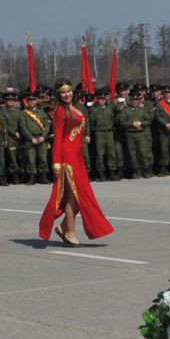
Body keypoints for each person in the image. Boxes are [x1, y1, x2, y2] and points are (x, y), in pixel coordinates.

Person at [38, 81, 114, 246]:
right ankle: (70, 232)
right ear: (59, 94)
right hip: (67, 158)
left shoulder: (77, 107)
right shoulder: (60, 111)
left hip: (77, 156)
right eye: (63, 92)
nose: (67, 95)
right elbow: (58, 137)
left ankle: (64, 227)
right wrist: (56, 162)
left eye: (69, 91)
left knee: (81, 197)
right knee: (73, 197)